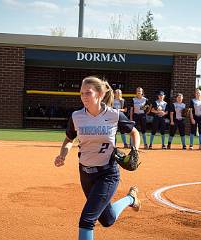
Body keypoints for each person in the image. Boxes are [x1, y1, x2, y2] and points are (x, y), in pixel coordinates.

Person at [54, 76, 141, 240]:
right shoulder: (76, 116)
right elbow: (69, 139)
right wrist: (62, 155)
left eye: (88, 93)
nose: (84, 97)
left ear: (100, 94)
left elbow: (134, 132)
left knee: (87, 220)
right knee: (107, 220)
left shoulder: (114, 115)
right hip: (85, 174)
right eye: (81, 93)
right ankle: (131, 198)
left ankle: (130, 198)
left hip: (107, 174)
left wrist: (134, 150)